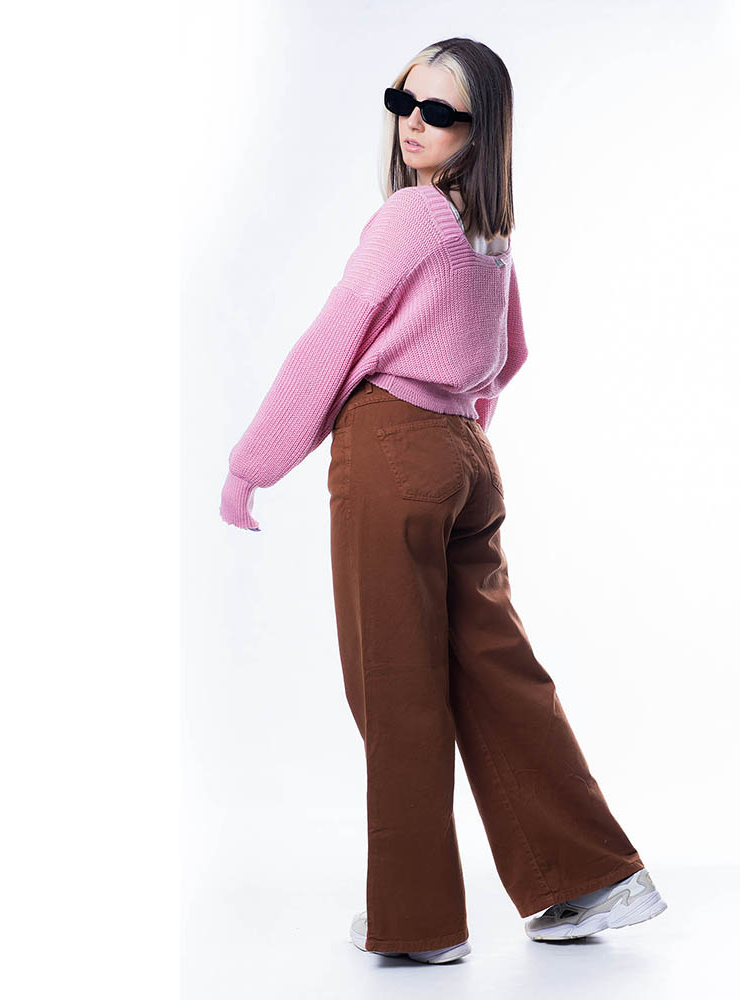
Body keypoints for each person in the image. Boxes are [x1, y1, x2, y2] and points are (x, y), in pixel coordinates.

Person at [220, 37, 667, 964]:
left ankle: (419, 923)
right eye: (403, 102)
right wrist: (464, 431)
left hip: (393, 449)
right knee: (497, 672)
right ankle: (589, 879)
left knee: (396, 684)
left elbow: (334, 338)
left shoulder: (414, 216)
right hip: (464, 458)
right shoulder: (485, 226)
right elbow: (509, 353)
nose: (412, 124)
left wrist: (253, 462)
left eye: (438, 112)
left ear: (479, 129)